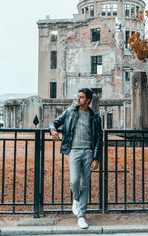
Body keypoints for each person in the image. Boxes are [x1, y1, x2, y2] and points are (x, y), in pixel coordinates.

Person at [50, 88, 102, 229]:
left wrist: (96, 158)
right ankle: (76, 198)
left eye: (82, 97)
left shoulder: (95, 117)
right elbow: (53, 123)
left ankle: (81, 216)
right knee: (74, 182)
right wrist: (53, 131)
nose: (78, 99)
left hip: (88, 153)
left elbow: (98, 140)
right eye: (78, 96)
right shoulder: (69, 112)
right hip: (73, 151)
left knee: (85, 184)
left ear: (88, 100)